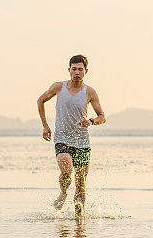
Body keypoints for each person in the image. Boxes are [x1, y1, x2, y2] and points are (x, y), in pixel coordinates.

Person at [36, 55, 106, 223]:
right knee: (67, 171)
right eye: (73, 69)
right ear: (69, 70)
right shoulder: (59, 87)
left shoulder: (89, 92)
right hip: (62, 139)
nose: (76, 72)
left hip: (82, 141)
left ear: (85, 71)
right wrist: (45, 126)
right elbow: (40, 101)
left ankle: (79, 221)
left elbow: (102, 116)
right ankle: (64, 192)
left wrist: (90, 121)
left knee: (81, 182)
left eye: (80, 69)